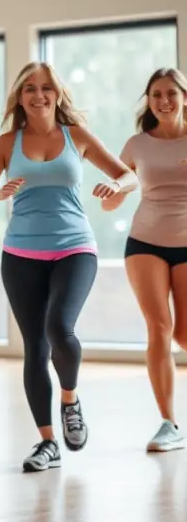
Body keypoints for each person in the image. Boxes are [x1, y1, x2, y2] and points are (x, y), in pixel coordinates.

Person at [0, 62, 137, 473]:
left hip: (75, 247)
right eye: (30, 88)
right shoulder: (7, 144)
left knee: (60, 328)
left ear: (57, 94)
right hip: (20, 254)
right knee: (35, 348)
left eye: (46, 88)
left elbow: (128, 175)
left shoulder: (74, 135)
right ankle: (47, 442)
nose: (38, 95)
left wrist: (116, 188)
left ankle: (70, 398)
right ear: (20, 97)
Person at [101, 68, 187, 452]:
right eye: (156, 94)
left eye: (171, 93)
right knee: (159, 327)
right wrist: (111, 193)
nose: (164, 101)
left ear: (184, 97)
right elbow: (119, 188)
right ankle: (169, 423)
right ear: (148, 100)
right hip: (145, 241)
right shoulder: (137, 144)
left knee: (183, 334)